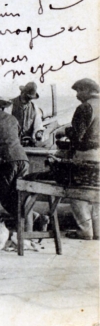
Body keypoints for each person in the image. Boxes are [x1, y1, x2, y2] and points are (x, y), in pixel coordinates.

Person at [62, 78, 100, 240]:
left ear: (86, 90)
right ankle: (98, 231)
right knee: (97, 194)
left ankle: (84, 230)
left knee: (77, 193)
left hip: (86, 155)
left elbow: (77, 137)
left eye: (78, 91)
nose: (77, 95)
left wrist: (66, 132)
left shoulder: (85, 107)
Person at [10, 81, 44, 146]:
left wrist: (38, 133)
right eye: (27, 97)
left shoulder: (34, 108)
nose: (29, 100)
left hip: (29, 143)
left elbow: (38, 125)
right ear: (22, 93)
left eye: (30, 98)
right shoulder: (10, 105)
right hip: (13, 143)